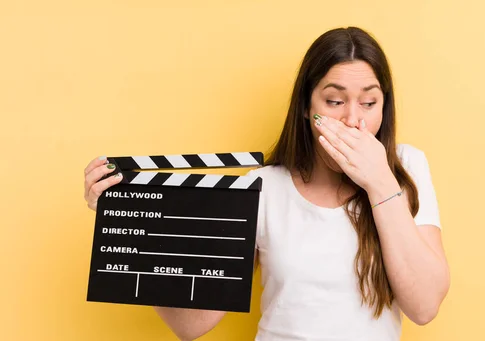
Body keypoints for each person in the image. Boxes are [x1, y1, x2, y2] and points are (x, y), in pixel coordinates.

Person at [83, 26, 450, 341]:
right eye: (335, 100)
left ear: (384, 107)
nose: (352, 120)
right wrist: (127, 223)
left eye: (368, 103)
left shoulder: (407, 168)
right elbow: (192, 324)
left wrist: (379, 182)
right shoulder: (264, 187)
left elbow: (424, 305)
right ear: (307, 105)